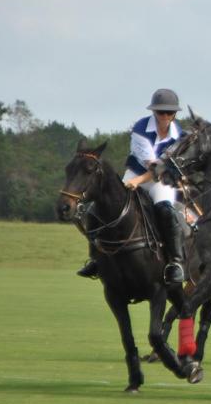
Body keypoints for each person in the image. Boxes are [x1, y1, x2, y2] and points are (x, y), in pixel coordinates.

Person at [78, 88, 187, 284]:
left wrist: (137, 183)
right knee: (97, 209)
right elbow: (150, 164)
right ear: (153, 112)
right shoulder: (140, 129)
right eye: (160, 112)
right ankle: (95, 258)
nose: (165, 116)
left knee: (165, 209)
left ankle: (176, 262)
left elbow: (160, 169)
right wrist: (135, 180)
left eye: (169, 112)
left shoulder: (178, 134)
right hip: (136, 172)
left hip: (160, 181)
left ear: (175, 114)